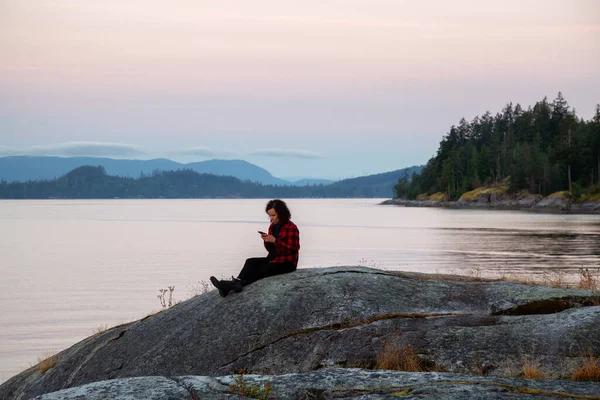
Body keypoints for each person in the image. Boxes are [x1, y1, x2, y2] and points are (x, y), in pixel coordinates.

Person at [210, 199, 300, 297]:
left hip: (287, 263)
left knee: (260, 270)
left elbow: (293, 249)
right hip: (274, 259)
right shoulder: (273, 227)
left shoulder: (291, 227)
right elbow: (271, 250)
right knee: (250, 262)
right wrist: (267, 241)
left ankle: (234, 285)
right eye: (270, 215)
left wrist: (275, 241)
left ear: (281, 214)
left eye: (273, 215)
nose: (271, 219)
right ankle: (232, 286)